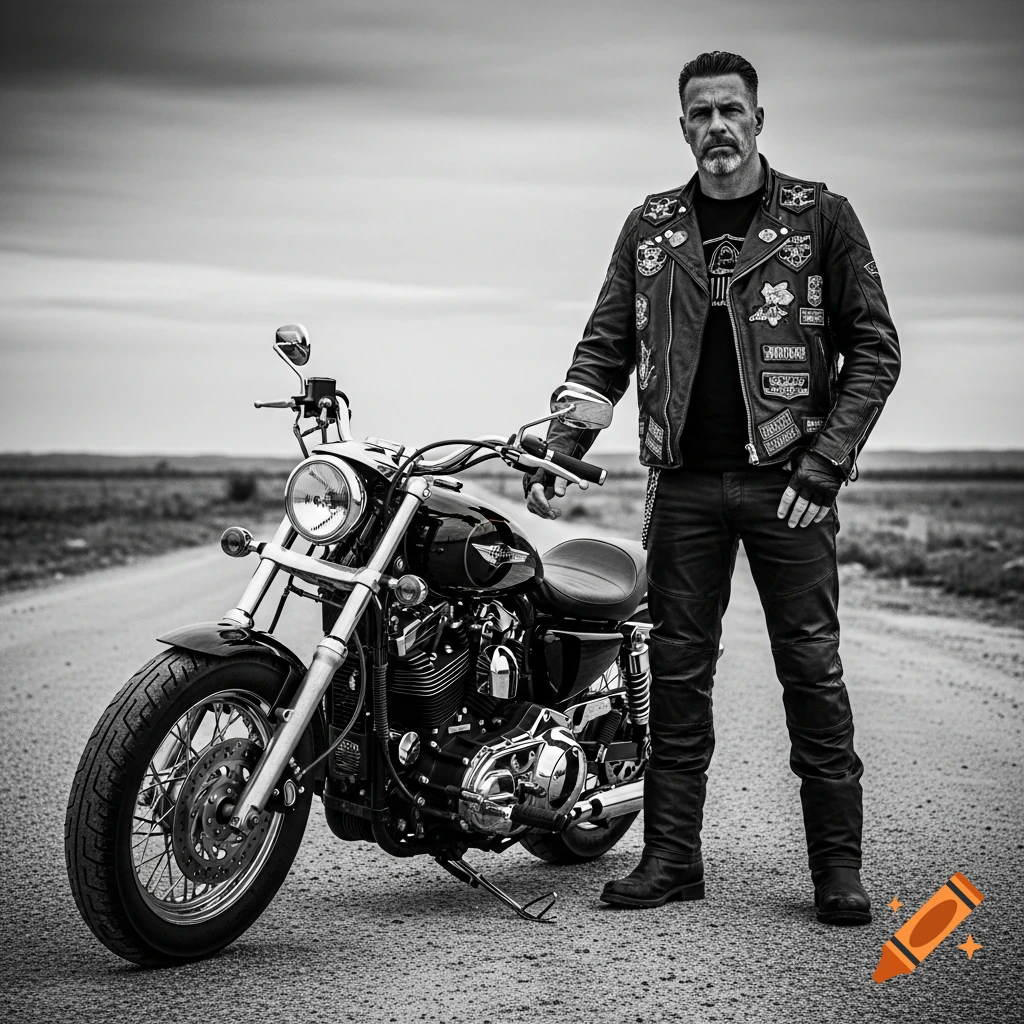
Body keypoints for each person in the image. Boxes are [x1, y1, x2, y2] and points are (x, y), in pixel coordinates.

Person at [523, 50, 900, 924]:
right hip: (683, 484)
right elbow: (602, 352)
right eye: (701, 114)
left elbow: (874, 349)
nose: (718, 127)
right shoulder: (651, 227)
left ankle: (836, 872)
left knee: (811, 671)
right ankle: (671, 860)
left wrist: (825, 462)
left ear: (759, 120)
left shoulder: (820, 217)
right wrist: (563, 444)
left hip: (789, 486)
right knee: (678, 674)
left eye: (732, 110)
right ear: (683, 126)